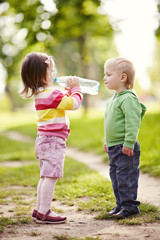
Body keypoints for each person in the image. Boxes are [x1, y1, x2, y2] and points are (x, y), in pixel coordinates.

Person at [20, 52, 82, 224]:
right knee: (51, 176)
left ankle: (39, 208)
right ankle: (44, 211)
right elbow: (73, 104)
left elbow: (62, 101)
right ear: (41, 74)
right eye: (51, 71)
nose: (54, 75)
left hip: (43, 140)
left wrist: (68, 91)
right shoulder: (52, 93)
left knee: (44, 176)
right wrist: (76, 89)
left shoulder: (41, 94)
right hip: (54, 141)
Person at [103, 57, 146, 219]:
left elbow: (133, 122)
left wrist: (129, 142)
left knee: (125, 177)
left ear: (122, 77)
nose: (104, 78)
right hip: (114, 147)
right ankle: (121, 204)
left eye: (108, 74)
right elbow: (111, 124)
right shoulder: (113, 100)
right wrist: (107, 141)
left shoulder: (129, 98)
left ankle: (130, 206)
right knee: (116, 177)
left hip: (125, 147)